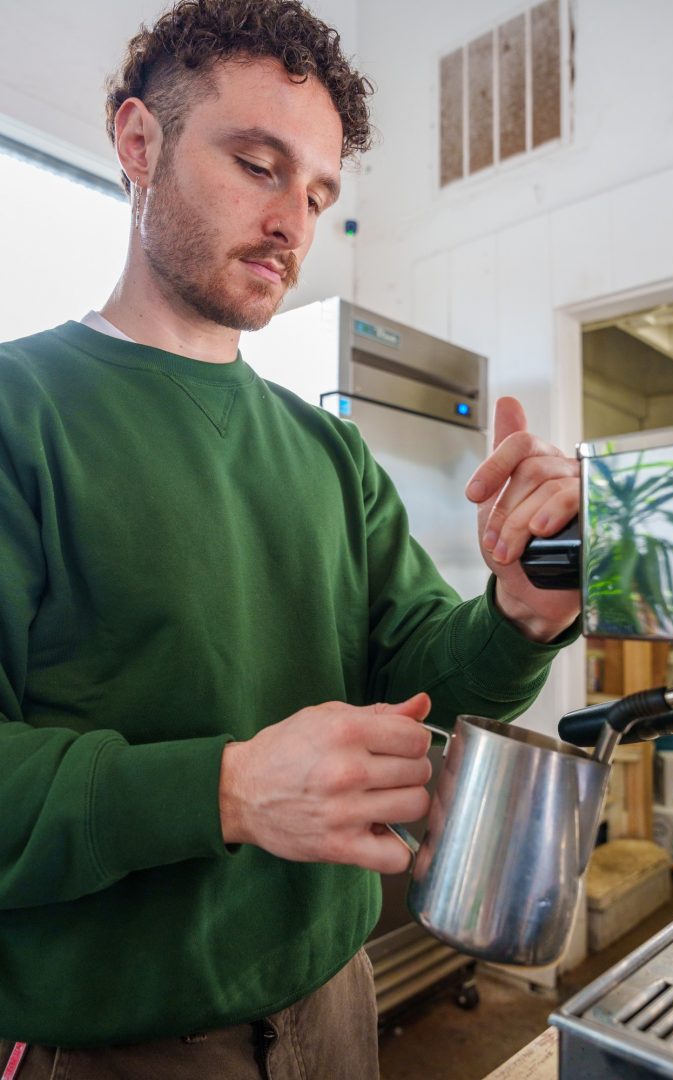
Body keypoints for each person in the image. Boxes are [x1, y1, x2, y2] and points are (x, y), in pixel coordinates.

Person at [0, 1, 581, 1077]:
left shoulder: (330, 452)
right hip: (116, 1043)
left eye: (316, 193)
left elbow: (424, 679)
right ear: (139, 144)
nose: (293, 226)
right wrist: (223, 788)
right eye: (258, 165)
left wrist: (520, 612)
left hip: (334, 999)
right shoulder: (19, 412)